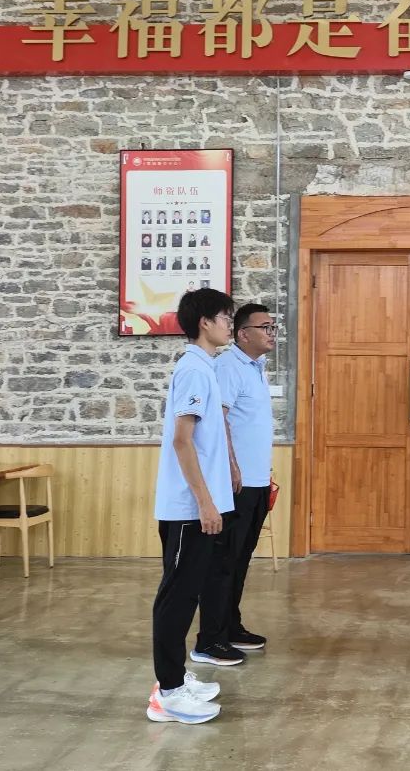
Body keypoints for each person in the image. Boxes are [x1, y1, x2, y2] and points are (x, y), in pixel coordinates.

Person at [146, 288, 236, 725]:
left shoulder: (205, 367)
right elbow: (182, 441)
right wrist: (204, 502)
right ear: (205, 322)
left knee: (188, 592)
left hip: (199, 505)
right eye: (225, 317)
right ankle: (168, 693)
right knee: (177, 598)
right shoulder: (194, 370)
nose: (230, 325)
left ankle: (176, 678)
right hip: (188, 509)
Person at [193, 303, 276, 665]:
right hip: (235, 484)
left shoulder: (256, 367)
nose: (271, 333)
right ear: (243, 334)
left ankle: (230, 626)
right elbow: (219, 420)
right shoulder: (229, 366)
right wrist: (231, 467)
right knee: (223, 562)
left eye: (273, 327)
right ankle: (209, 640)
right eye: (264, 327)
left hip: (256, 482)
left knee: (240, 560)